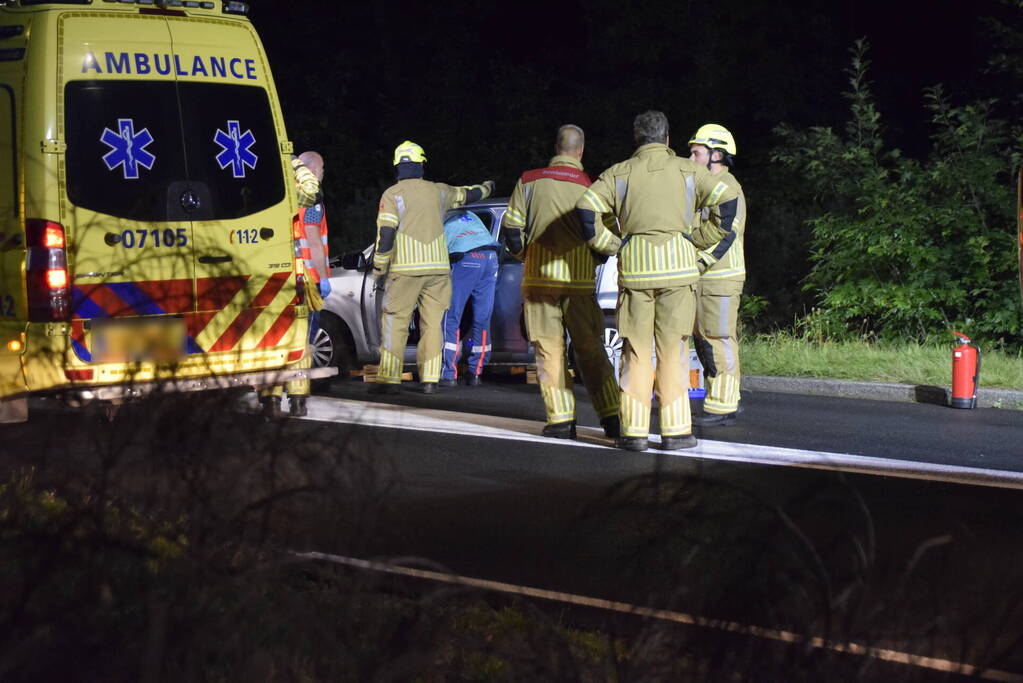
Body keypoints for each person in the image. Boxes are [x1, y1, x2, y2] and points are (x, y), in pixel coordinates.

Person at [576, 111, 739, 451]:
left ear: (636, 140)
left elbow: (586, 208)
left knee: (636, 351)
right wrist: (699, 238)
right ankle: (676, 431)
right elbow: (726, 200)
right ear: (667, 139)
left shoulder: (619, 173)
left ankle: (633, 432)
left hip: (635, 274)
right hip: (679, 275)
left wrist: (612, 244)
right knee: (673, 350)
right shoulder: (688, 169)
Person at [502, 125, 620, 439]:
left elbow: (511, 229)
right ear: (580, 151)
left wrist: (526, 255)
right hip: (579, 283)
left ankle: (561, 420)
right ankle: (612, 417)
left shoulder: (528, 181)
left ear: (556, 147)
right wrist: (593, 260)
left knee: (549, 351)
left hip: (540, 282)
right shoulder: (592, 186)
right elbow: (607, 238)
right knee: (591, 351)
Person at [370, 140, 494, 394]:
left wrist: (379, 267)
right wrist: (488, 186)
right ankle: (430, 379)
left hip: (404, 271)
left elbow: (386, 234)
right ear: (422, 165)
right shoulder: (439, 191)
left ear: (397, 167)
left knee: (396, 322)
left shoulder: (392, 195)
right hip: (438, 272)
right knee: (433, 325)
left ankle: (390, 379)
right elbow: (469, 193)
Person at [688, 125, 746, 426]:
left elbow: (725, 237)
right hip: (705, 279)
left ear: (717, 155)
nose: (691, 157)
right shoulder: (706, 187)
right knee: (705, 341)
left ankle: (723, 405)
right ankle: (725, 395)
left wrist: (697, 264)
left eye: (697, 153)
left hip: (720, 279)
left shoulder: (728, 188)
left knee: (719, 338)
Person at [259, 153, 322, 419]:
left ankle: (271, 402)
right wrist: (295, 164)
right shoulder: (287, 193)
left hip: (260, 274)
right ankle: (298, 401)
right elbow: (311, 189)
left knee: (268, 341)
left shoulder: (257, 191)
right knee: (296, 339)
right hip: (289, 274)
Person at [440, 210, 499, 386]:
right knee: (482, 317)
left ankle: (448, 373)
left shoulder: (441, 221)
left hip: (467, 258)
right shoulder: (471, 215)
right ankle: (476, 372)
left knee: (451, 316)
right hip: (491, 257)